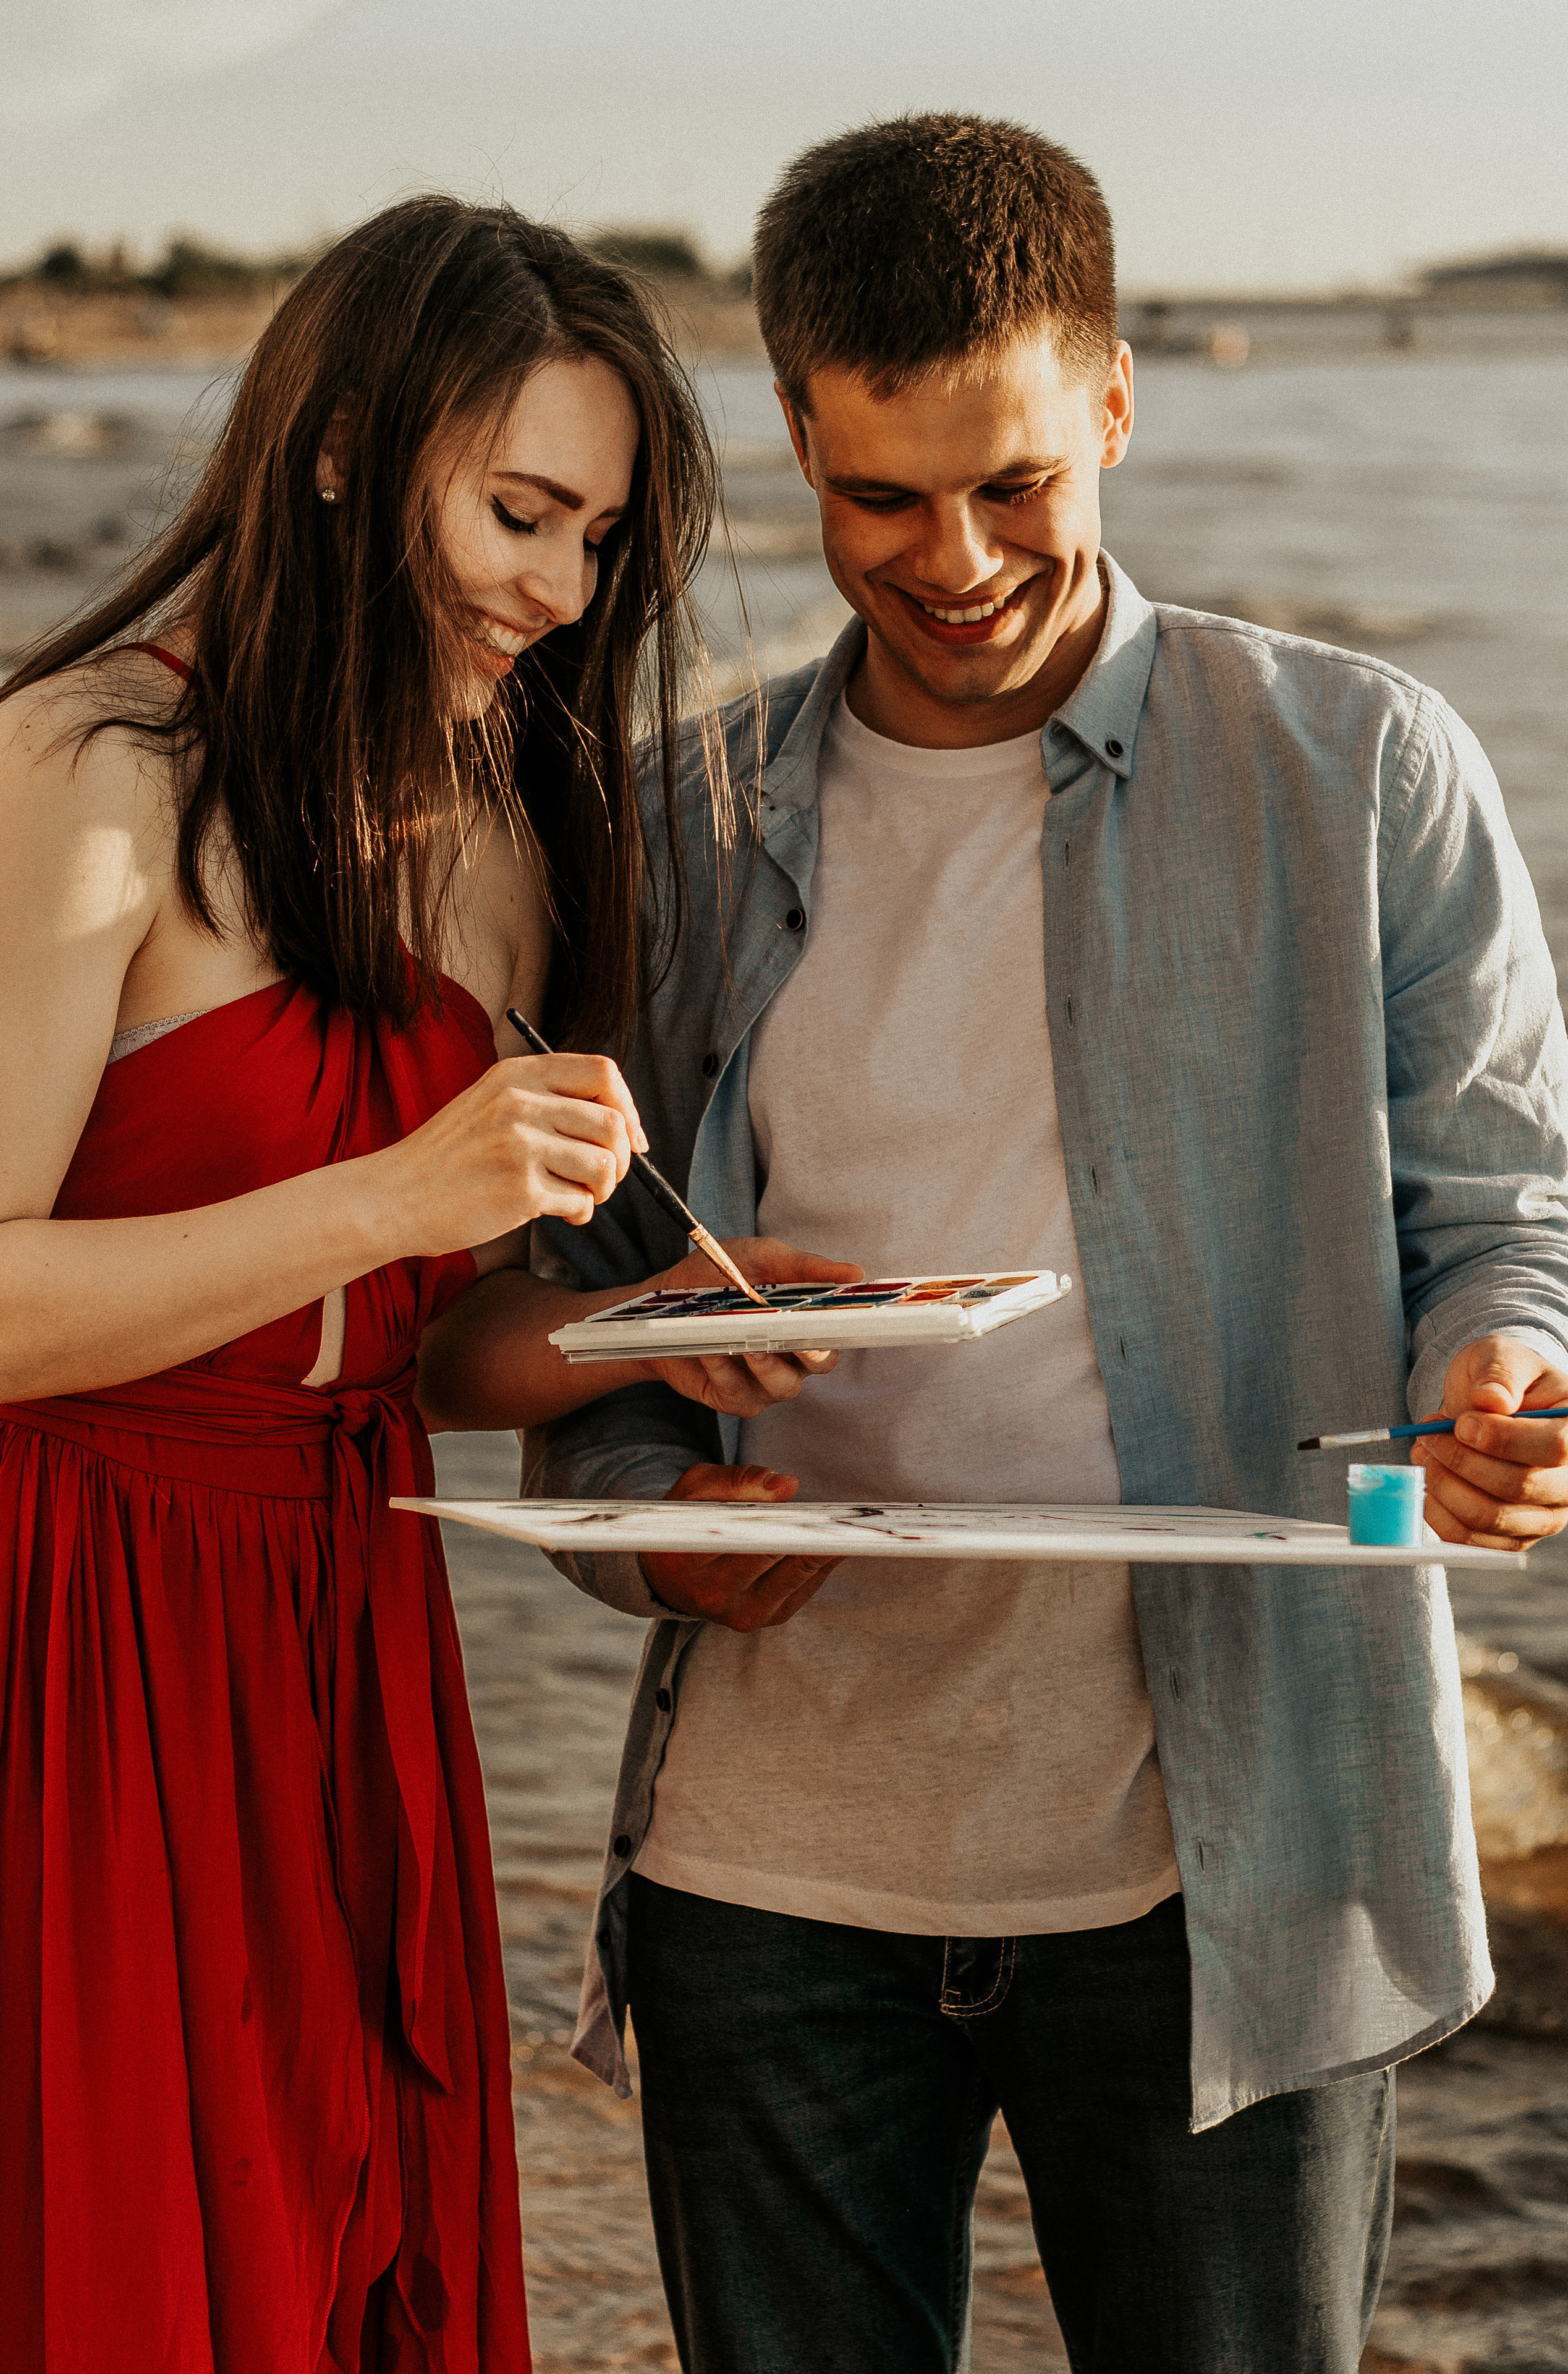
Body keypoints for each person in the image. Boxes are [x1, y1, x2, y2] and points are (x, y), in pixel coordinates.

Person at [491, 119, 1568, 2373]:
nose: (956, 557)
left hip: (1233, 1867)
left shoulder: (1360, 766)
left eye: (1012, 484)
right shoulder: (675, 828)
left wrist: (1508, 1388)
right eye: (880, 498)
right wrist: (640, 1535)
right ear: (798, 432)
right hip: (767, 1874)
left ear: (1111, 398)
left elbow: (1503, 1224)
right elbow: (573, 1325)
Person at [0, 195, 838, 2374]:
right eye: (520, 512)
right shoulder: (95, 766)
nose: (558, 591)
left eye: (595, 540)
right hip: (64, 1604)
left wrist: (680, 1335)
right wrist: (387, 1193)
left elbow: (419, 1345)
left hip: (342, 1606)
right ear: (350, 446)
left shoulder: (504, 844)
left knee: (347, 2242)